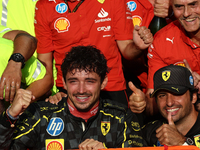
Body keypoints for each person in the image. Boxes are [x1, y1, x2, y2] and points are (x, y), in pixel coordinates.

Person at [0, 45, 144, 149]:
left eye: (90, 81)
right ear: (64, 82)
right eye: (73, 81)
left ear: (103, 82)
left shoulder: (121, 117)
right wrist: (10, 115)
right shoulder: (41, 115)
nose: (81, 90)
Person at [34, 0, 153, 108]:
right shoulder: (45, 5)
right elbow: (45, 67)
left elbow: (127, 49)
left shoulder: (113, 1)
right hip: (70, 89)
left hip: (110, 86)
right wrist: (53, 94)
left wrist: (137, 47)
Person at [130, 0, 200, 116]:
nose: (186, 13)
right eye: (179, 6)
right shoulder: (162, 40)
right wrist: (143, 103)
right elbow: (154, 101)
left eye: (193, 5)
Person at [141, 65, 200, 147]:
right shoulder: (149, 132)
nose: (169, 102)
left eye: (176, 94)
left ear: (193, 97)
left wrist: (182, 144)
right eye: (162, 95)